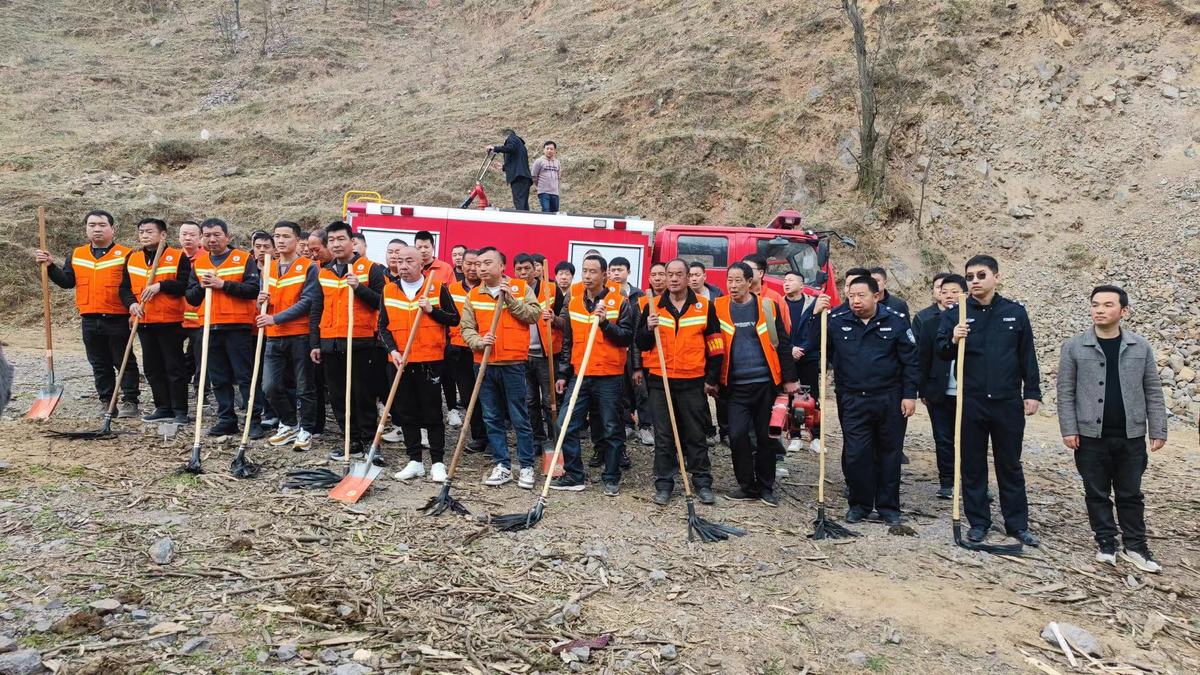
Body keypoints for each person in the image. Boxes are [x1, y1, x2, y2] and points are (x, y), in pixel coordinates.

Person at [1057, 285, 1167, 573]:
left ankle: (1136, 546)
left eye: (1107, 305)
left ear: (1124, 311)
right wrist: (1069, 428)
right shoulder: (1074, 347)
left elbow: (1153, 389)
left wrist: (1158, 428)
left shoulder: (1140, 346)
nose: (1100, 310)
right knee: (1096, 492)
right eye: (1095, 304)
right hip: (1090, 437)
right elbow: (1065, 392)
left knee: (1131, 493)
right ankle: (1106, 543)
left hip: (1130, 436)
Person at [936, 255, 1041, 547]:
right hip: (971, 402)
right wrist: (953, 339)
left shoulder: (1015, 313)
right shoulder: (957, 313)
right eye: (970, 277)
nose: (975, 281)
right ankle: (979, 522)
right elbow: (941, 352)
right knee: (972, 464)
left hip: (1007, 402)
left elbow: (1027, 356)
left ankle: (1017, 524)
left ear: (996, 277)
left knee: (1009, 464)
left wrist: (1032, 392)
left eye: (981, 275)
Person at [812, 276, 919, 524]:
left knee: (889, 453)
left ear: (876, 296)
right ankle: (859, 504)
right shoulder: (837, 320)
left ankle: (888, 507)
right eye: (851, 296)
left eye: (861, 295)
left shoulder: (896, 321)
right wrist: (817, 316)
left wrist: (909, 395)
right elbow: (814, 345)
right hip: (852, 399)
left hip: (890, 399)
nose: (856, 301)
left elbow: (911, 362)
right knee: (856, 454)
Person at [635, 259, 724, 506]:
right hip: (660, 381)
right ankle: (664, 484)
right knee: (664, 436)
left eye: (678, 275)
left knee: (695, 434)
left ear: (687, 278)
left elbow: (716, 345)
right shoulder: (652, 306)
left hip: (692, 380)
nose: (673, 279)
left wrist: (711, 379)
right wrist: (647, 328)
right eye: (669, 274)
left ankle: (702, 482)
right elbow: (640, 343)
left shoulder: (704, 307)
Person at [35, 210, 141, 416]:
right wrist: (50, 266)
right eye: (92, 225)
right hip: (90, 319)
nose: (97, 229)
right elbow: (67, 282)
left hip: (118, 318)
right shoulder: (77, 254)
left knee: (124, 361)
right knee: (99, 363)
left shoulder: (127, 255)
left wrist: (132, 311)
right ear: (86, 229)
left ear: (113, 229)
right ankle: (106, 401)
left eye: (102, 225)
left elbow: (132, 287)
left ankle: (131, 401)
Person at [714, 262, 798, 506]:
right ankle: (746, 485)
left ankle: (766, 486)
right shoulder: (717, 307)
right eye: (729, 280)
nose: (732, 285)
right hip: (734, 386)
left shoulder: (767, 306)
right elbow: (712, 344)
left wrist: (789, 379)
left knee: (766, 438)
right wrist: (711, 379)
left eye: (738, 280)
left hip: (765, 385)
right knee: (738, 436)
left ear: (750, 282)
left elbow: (781, 343)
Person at [553, 254, 636, 495]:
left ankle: (611, 477)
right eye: (584, 271)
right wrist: (562, 373)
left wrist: (605, 324)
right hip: (580, 375)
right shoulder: (575, 303)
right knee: (564, 425)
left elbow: (626, 337)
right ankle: (575, 475)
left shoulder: (620, 303)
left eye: (592, 272)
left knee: (611, 428)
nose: (587, 276)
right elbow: (568, 341)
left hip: (609, 375)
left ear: (604, 275)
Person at [460, 247, 543, 488]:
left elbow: (534, 315)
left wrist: (512, 302)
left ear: (501, 266)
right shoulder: (474, 295)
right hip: (484, 364)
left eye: (487, 263)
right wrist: (479, 341)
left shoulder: (519, 288)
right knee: (492, 416)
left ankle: (526, 466)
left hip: (514, 364)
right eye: (479, 264)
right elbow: (466, 328)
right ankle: (502, 465)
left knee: (519, 416)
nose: (481, 268)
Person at [380, 246, 460, 483]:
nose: (403, 266)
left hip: (429, 361)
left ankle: (437, 462)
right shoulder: (389, 290)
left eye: (409, 261)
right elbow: (383, 326)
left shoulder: (437, 288)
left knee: (432, 413)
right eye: (399, 261)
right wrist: (392, 351)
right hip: (400, 362)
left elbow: (453, 318)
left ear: (421, 264)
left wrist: (431, 310)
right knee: (406, 413)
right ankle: (414, 460)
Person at [309, 221, 386, 461]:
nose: (336, 244)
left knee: (363, 394)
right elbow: (316, 308)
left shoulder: (371, 269)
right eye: (331, 240)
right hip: (331, 342)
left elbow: (383, 304)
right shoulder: (325, 271)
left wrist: (359, 288)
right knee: (338, 395)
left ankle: (369, 443)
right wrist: (315, 342)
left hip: (361, 342)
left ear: (352, 242)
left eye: (340, 239)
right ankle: (350, 440)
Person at [183, 218, 264, 438]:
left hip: (237, 326)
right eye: (207, 235)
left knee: (245, 376)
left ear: (227, 237)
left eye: (217, 234)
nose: (212, 239)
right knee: (218, 377)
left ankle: (253, 420)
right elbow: (190, 297)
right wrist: (201, 286)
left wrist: (223, 285)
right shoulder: (199, 264)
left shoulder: (243, 258)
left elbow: (252, 289)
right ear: (202, 238)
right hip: (209, 326)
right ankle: (226, 418)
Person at [120, 218, 191, 424]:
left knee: (174, 367)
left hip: (170, 321)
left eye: (149, 231)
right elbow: (124, 288)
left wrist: (161, 285)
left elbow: (185, 284)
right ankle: (163, 407)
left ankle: (180, 410)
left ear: (163, 235)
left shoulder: (178, 257)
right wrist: (131, 304)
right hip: (144, 321)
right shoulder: (132, 258)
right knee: (152, 367)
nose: (144, 235)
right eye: (141, 231)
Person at [257, 221, 320, 451]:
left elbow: (308, 301)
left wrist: (275, 318)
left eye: (285, 236)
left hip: (299, 335)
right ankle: (289, 423)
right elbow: (262, 300)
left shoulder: (309, 267)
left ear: (296, 240)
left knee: (305, 387)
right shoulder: (268, 266)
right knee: (270, 386)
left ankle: (306, 429)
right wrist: (261, 302)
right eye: (277, 236)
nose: (280, 240)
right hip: (274, 336)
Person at [913, 273, 965, 498]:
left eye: (954, 292)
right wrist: (922, 389)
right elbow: (922, 358)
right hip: (939, 390)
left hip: (969, 391)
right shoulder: (929, 322)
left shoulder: (975, 321)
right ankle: (947, 482)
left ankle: (972, 482)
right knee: (943, 438)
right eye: (945, 292)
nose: (949, 296)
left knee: (970, 439)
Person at [514, 253, 560, 453]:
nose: (523, 272)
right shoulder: (514, 290)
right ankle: (536, 437)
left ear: (535, 268)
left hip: (546, 353)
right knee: (529, 399)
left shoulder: (551, 289)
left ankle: (554, 437)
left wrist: (555, 318)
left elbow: (565, 322)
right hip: (522, 353)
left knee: (549, 399)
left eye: (527, 268)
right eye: (519, 269)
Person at [446, 249, 489, 452]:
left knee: (486, 395)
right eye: (468, 264)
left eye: (476, 264)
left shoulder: (489, 289)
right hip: (458, 349)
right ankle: (478, 436)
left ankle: (492, 436)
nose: (472, 268)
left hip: (482, 350)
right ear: (460, 265)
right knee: (467, 395)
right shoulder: (451, 288)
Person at [783, 270, 820, 454]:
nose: (786, 283)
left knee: (813, 396)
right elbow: (778, 333)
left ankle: (816, 436)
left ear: (801, 285)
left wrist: (802, 349)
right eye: (785, 280)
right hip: (788, 357)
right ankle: (795, 436)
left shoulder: (813, 304)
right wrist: (790, 349)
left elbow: (816, 332)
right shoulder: (778, 304)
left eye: (790, 280)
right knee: (792, 397)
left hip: (809, 356)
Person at [178, 221, 204, 391]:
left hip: (199, 318)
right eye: (184, 234)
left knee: (201, 356)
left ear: (200, 237)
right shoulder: (172, 258)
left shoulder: (207, 259)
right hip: (176, 317)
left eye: (192, 235)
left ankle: (202, 390)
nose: (188, 238)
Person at [486, 129, 533, 211]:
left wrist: (494, 148)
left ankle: (521, 222)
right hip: (523, 177)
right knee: (523, 203)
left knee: (519, 202)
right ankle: (525, 221)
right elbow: (516, 160)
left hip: (519, 177)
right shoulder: (520, 145)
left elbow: (510, 148)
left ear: (506, 136)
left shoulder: (512, 138)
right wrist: (503, 167)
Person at [531, 140, 561, 213]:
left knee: (555, 212)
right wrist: (538, 186)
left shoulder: (557, 162)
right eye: (547, 149)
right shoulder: (539, 161)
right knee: (546, 211)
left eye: (551, 149)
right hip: (544, 192)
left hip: (555, 192)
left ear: (555, 151)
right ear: (544, 150)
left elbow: (559, 176)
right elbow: (534, 175)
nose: (549, 150)